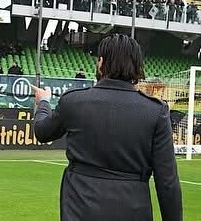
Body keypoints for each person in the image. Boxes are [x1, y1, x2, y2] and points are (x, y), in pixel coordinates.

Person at [33, 34, 181, 221]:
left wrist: (43, 102)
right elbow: (167, 182)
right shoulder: (156, 111)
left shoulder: (74, 100)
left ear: (101, 63)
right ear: (137, 67)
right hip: (133, 210)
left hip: (80, 210)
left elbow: (42, 132)